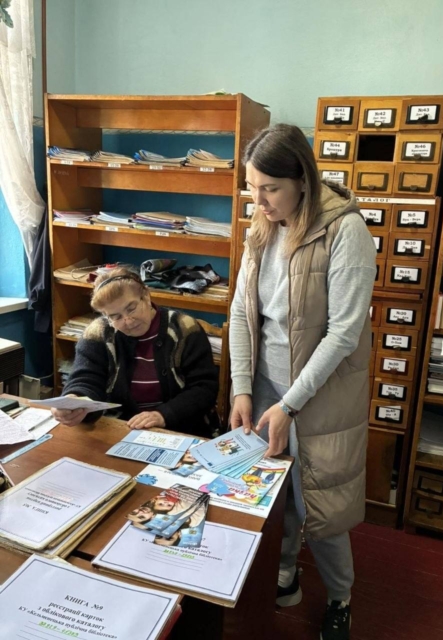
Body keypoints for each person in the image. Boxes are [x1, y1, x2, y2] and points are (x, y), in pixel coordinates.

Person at [229, 124, 376, 640]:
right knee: (276, 496)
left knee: (321, 501)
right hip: (268, 386)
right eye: (252, 187)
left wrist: (289, 404)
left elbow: (344, 334)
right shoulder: (262, 225)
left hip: (319, 395)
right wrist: (242, 387)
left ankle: (340, 597)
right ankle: (285, 572)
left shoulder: (345, 231)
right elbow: (242, 311)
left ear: (303, 181)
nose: (259, 200)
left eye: (270, 188)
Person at [51, 267, 219, 438]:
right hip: (119, 427)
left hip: (180, 428)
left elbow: (204, 388)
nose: (128, 321)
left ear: (146, 296)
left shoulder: (184, 328)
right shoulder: (98, 333)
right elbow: (86, 378)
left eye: (131, 308)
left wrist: (163, 415)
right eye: (116, 317)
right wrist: (74, 400)